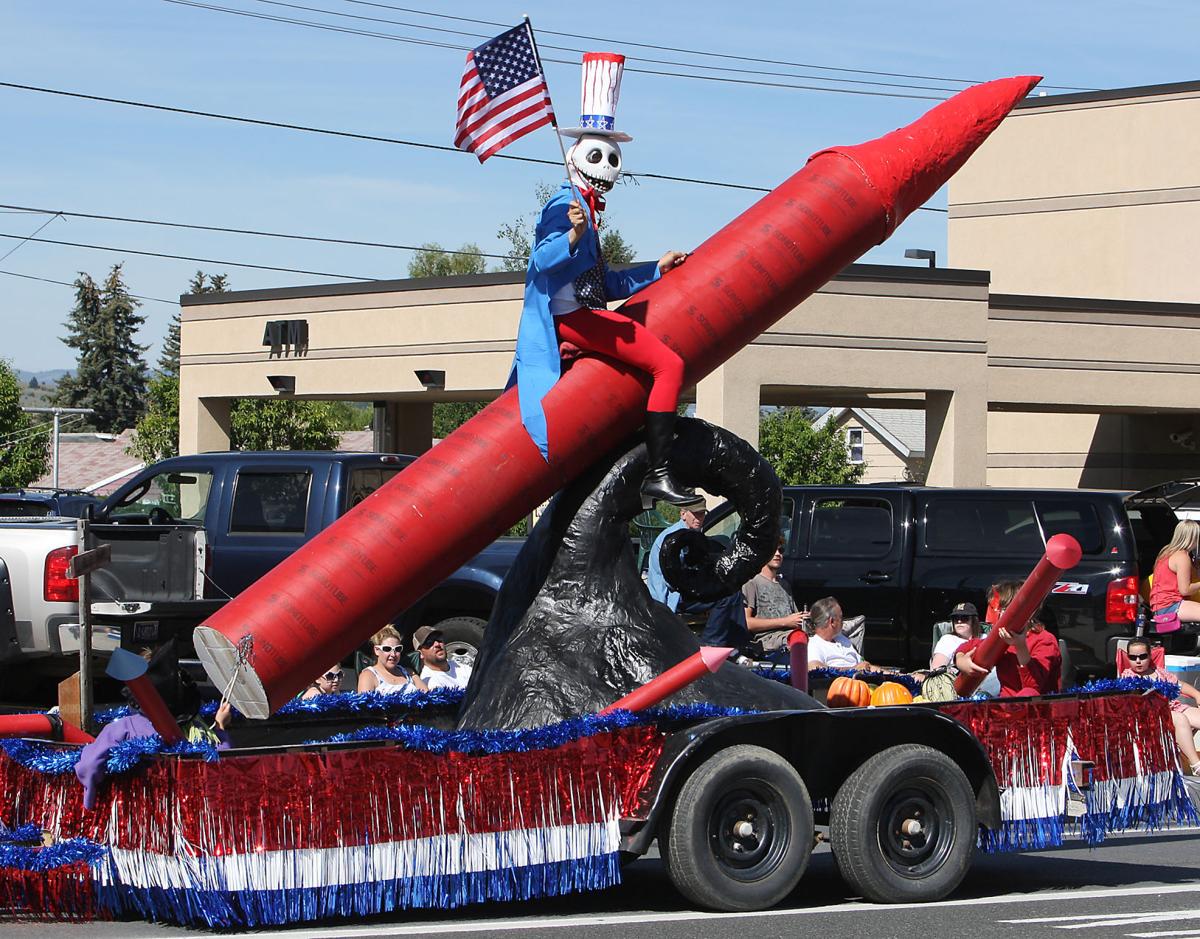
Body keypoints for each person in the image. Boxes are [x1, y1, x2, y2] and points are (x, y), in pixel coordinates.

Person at [509, 52, 693, 506]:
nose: (607, 165)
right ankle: (659, 473)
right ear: (576, 156)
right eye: (598, 155)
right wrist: (572, 235)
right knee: (669, 366)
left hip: (580, 317)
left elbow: (604, 284)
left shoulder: (586, 209)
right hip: (573, 320)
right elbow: (541, 262)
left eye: (612, 156)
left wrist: (656, 269)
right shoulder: (565, 205)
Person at [75, 645, 231, 810]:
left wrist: (90, 802)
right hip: (186, 812)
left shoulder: (123, 728)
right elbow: (223, 765)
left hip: (136, 814)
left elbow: (89, 766)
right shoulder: (196, 730)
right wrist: (220, 726)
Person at [646, 498, 751, 650]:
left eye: (702, 514)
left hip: (683, 592)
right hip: (671, 597)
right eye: (695, 514)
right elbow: (673, 581)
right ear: (683, 514)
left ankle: (738, 645)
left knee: (732, 592)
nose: (699, 518)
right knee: (725, 596)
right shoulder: (673, 538)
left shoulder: (693, 535)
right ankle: (711, 644)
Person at [955, 581, 1061, 697]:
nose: (1000, 615)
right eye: (997, 609)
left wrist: (1020, 646)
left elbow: (1033, 688)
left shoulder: (1045, 640)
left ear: (1028, 611)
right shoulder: (1002, 636)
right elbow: (968, 645)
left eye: (1005, 609)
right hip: (1005, 705)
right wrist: (961, 660)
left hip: (1037, 705)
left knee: (1028, 693)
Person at [1119, 638, 1200, 776]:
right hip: (1151, 713)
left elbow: (1178, 685)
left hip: (1172, 707)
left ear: (1150, 656)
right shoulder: (1128, 676)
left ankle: (1182, 747)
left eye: (1142, 656)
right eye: (1133, 657)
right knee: (1180, 719)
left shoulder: (1158, 672)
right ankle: (1195, 765)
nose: (1138, 661)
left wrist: (1197, 695)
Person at [742, 542, 809, 654]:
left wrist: (806, 617)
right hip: (769, 642)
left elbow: (794, 618)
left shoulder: (785, 584)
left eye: (781, 550)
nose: (778, 554)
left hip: (793, 635)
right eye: (773, 550)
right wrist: (785, 622)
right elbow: (747, 622)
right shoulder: (751, 583)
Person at [929, 601, 1002, 697]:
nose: (959, 622)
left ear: (974, 621)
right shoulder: (948, 639)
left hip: (988, 679)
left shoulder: (985, 638)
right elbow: (936, 670)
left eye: (964, 618)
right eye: (956, 619)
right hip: (960, 686)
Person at [806, 597, 883, 672]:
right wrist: (853, 669)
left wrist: (889, 674)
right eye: (841, 617)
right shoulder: (814, 644)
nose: (843, 622)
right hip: (838, 680)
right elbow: (815, 668)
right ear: (832, 622)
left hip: (861, 678)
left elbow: (864, 666)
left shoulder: (842, 639)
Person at [1148, 520, 1200, 626]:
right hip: (1171, 605)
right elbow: (1185, 590)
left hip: (1159, 606)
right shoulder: (1182, 557)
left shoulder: (1166, 552)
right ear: (1193, 537)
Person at [358, 626, 428, 695]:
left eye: (397, 649)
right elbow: (364, 701)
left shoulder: (409, 673)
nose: (393, 654)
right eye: (387, 649)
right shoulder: (368, 676)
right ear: (377, 650)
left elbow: (428, 696)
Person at [414, 625, 472, 690]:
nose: (437, 644)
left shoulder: (457, 665)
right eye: (429, 642)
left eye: (439, 639)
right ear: (420, 653)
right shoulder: (430, 682)